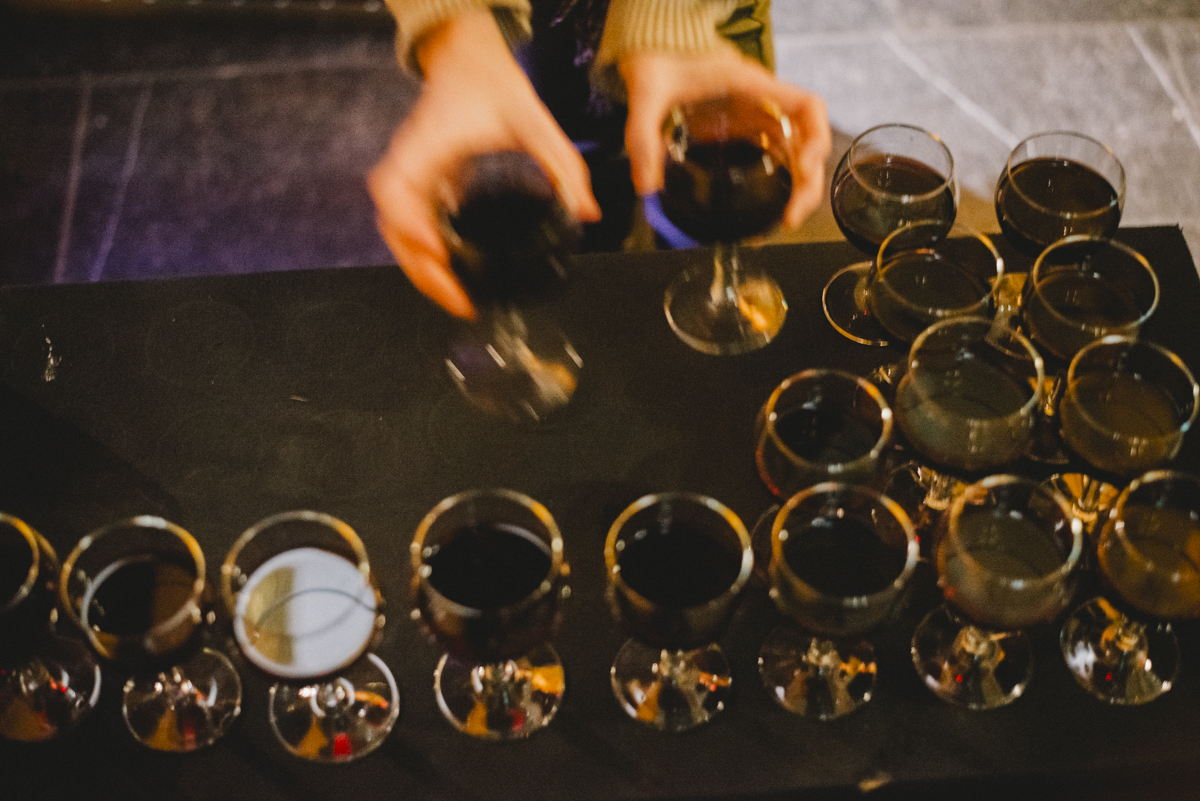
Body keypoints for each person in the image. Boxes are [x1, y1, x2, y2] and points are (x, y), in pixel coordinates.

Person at [368, 0, 831, 320]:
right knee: (573, 169)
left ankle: (712, 280)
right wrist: (457, 34)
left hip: (707, 16)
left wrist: (674, 17)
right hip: (535, 22)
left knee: (708, 209)